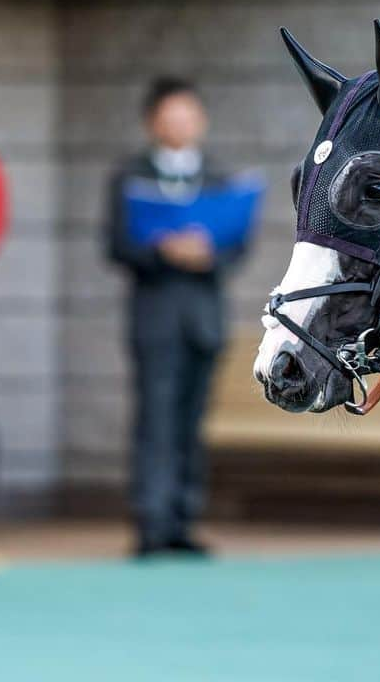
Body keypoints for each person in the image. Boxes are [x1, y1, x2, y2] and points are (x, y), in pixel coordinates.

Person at [104, 77, 248, 558]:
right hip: (155, 315)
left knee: (190, 421)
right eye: (170, 116)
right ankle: (151, 521)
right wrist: (164, 251)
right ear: (153, 122)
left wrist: (207, 254)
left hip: (204, 317)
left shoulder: (221, 176)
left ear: (200, 121)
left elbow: (237, 244)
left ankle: (183, 520)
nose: (181, 125)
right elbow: (116, 245)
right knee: (155, 419)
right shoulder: (129, 175)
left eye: (188, 115)